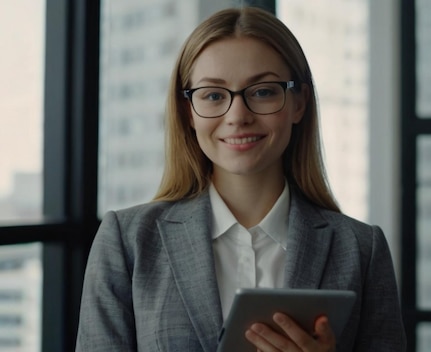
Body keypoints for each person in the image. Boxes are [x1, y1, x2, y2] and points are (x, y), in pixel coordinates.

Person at [75, 6, 406, 352]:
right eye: (214, 95)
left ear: (299, 104)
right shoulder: (128, 244)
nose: (237, 116)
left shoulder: (360, 250)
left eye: (262, 91)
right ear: (188, 111)